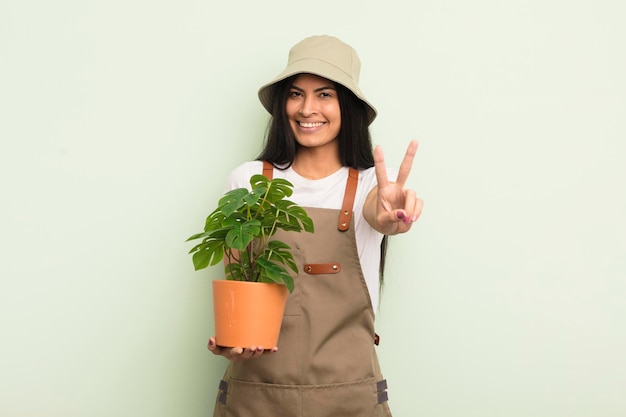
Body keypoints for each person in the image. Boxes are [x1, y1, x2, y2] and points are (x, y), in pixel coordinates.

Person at [207, 35, 423, 417]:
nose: (307, 108)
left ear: (348, 105)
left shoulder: (371, 185)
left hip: (350, 398)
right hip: (258, 397)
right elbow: (236, 291)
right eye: (295, 94)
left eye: (325, 94)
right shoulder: (248, 181)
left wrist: (392, 215)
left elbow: (379, 214)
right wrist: (233, 341)